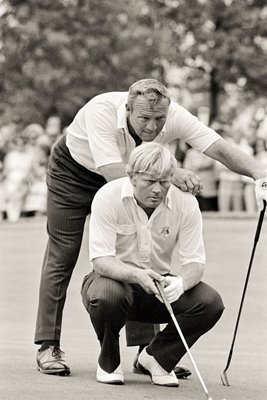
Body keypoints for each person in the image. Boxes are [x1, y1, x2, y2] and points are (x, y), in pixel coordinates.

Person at [35, 78, 267, 376]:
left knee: (137, 244)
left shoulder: (174, 115)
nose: (152, 127)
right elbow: (115, 176)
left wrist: (260, 174)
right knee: (63, 251)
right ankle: (47, 345)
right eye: (144, 118)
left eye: (159, 119)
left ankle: (149, 353)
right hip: (74, 174)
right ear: (128, 108)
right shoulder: (101, 111)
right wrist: (169, 172)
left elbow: (217, 148)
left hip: (137, 176)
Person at [81, 142, 224, 386]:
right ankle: (109, 359)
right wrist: (137, 276)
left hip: (159, 285)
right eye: (149, 182)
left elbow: (195, 262)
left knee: (210, 303)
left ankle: (156, 357)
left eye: (164, 182)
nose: (158, 189)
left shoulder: (185, 202)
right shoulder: (108, 196)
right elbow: (101, 260)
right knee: (107, 295)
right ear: (132, 177)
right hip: (113, 280)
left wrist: (180, 283)